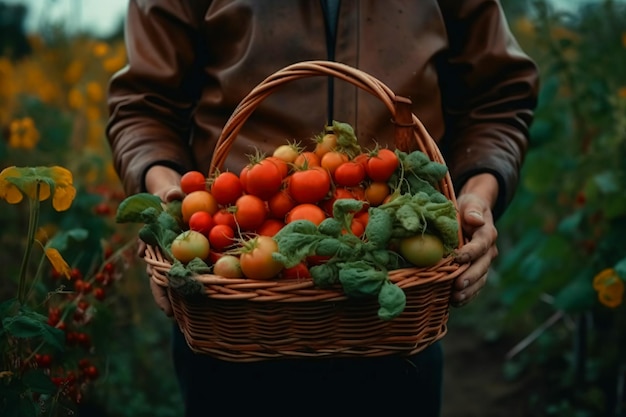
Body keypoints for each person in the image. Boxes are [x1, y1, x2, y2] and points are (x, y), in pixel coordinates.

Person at [106, 1, 539, 415]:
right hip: (232, 307)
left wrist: (477, 195)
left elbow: (498, 96)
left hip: (396, 297)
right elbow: (143, 104)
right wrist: (169, 197)